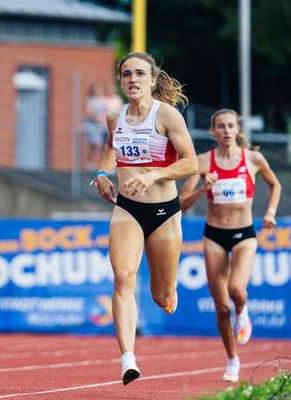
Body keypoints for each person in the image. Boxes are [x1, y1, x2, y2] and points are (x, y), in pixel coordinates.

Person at [92, 51, 198, 385]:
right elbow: (111, 147)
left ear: (152, 80)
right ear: (121, 81)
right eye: (126, 74)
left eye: (139, 74)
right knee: (123, 277)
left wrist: (153, 175)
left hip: (164, 213)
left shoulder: (166, 116)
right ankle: (128, 359)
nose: (133, 79)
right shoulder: (114, 117)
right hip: (127, 209)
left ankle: (169, 291)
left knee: (160, 295)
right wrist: (102, 173)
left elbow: (191, 162)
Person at [179, 109, 281, 382]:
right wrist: (203, 188)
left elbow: (275, 184)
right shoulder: (202, 162)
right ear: (212, 131)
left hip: (244, 234)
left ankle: (243, 310)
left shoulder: (253, 159)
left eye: (230, 126)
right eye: (220, 127)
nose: (226, 131)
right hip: (214, 234)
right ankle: (232, 360)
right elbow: (181, 203)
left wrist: (270, 212)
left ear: (237, 130)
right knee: (221, 307)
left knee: (237, 289)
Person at [84, 83, 107, 171]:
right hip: (93, 125)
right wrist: (97, 119)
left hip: (102, 126)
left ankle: (101, 165)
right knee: (93, 145)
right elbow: (89, 112)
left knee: (102, 146)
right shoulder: (90, 100)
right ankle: (90, 164)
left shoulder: (102, 100)